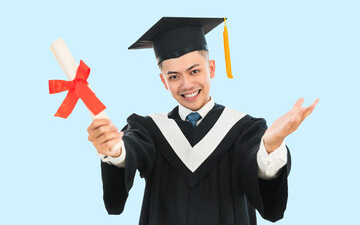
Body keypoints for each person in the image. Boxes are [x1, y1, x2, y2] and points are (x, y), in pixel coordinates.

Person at [87, 17, 319, 225]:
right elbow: (130, 147)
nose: (186, 84)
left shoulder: (244, 129)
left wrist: (271, 146)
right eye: (174, 76)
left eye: (194, 71)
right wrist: (114, 150)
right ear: (163, 81)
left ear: (211, 68)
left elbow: (265, 188)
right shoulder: (149, 129)